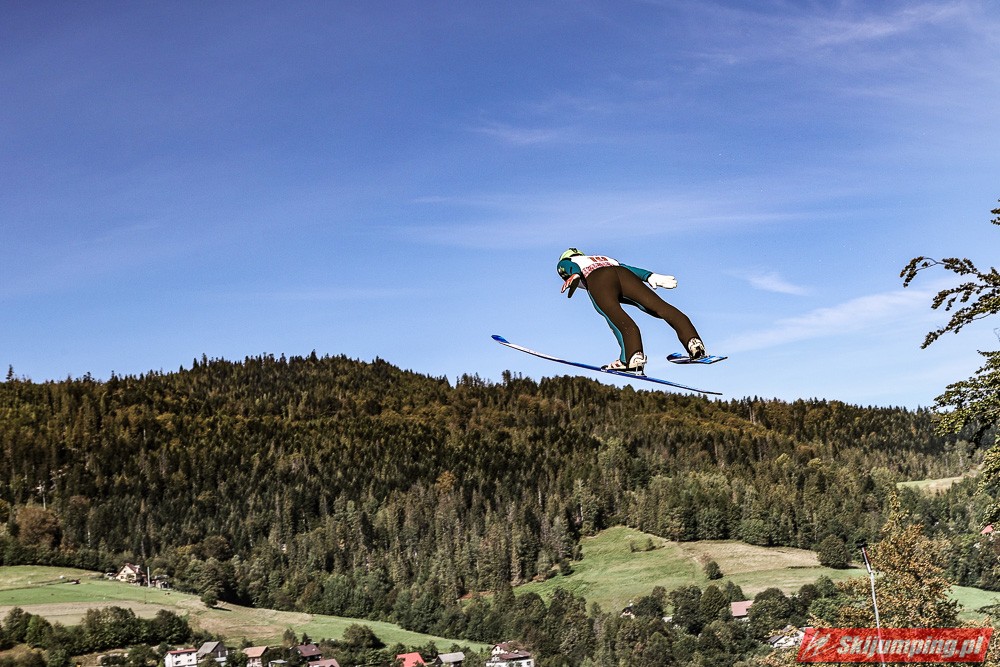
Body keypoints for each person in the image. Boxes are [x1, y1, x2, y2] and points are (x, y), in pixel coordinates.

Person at [556, 248, 706, 374]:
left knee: (616, 316)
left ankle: (633, 357)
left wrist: (574, 273)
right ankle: (693, 342)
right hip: (623, 274)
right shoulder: (602, 258)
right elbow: (628, 268)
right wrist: (649, 276)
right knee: (661, 307)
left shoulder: (569, 261)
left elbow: (565, 266)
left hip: (598, 279)